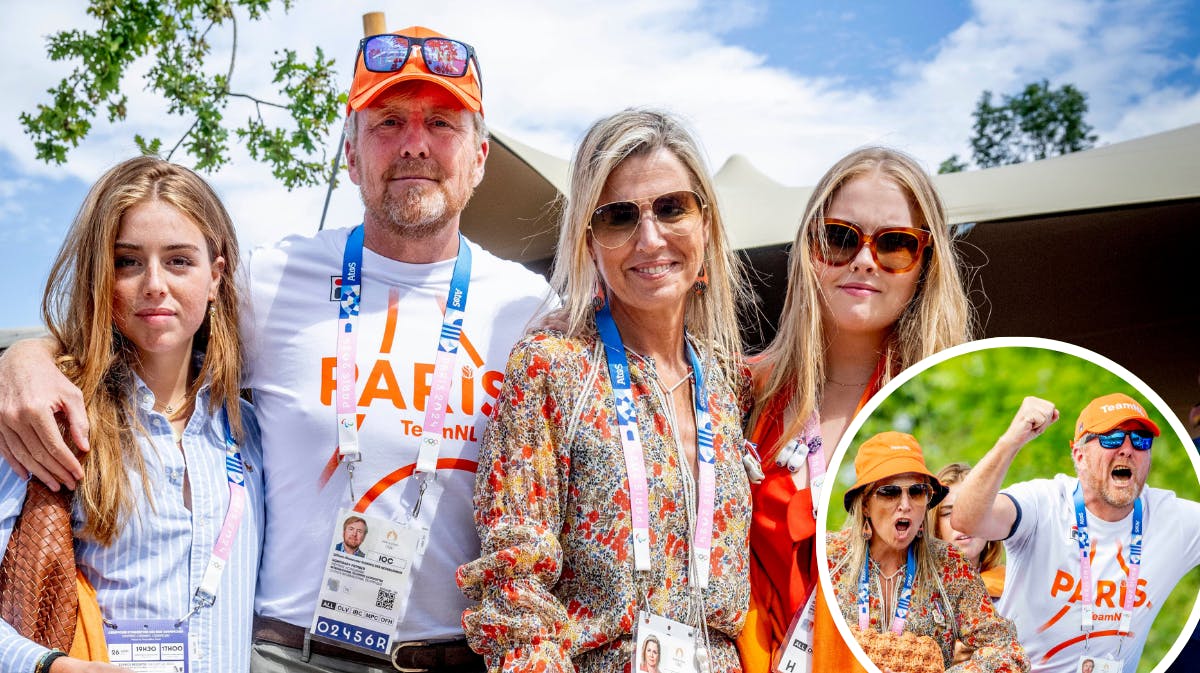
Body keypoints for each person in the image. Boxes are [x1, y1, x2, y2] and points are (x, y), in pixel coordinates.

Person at [0, 26, 552, 673]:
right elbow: (146, 321)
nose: (414, 143)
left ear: (480, 154)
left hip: (459, 656)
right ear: (350, 154)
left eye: (441, 122)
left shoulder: (529, 310)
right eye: (388, 121)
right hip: (292, 655)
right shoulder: (270, 281)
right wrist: (26, 361)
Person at [457, 109, 751, 672]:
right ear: (588, 241)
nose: (650, 237)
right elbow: (512, 588)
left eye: (672, 208)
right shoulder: (551, 369)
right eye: (618, 217)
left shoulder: (726, 381)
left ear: (706, 222)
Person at [0, 156, 264, 672]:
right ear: (101, 276)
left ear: (216, 275)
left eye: (179, 260)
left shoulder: (251, 430)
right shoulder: (48, 419)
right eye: (127, 261)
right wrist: (45, 665)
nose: (154, 284)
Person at [736, 147, 974, 672]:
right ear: (810, 248)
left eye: (894, 245)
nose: (864, 260)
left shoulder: (943, 400)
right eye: (841, 238)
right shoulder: (742, 393)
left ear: (925, 263)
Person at [952, 394, 1200, 673]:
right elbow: (966, 519)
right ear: (1079, 456)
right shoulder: (1044, 503)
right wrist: (1012, 439)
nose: (1128, 449)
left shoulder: (1171, 519)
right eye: (1112, 438)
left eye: (1141, 440)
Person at [828, 432, 1028, 673]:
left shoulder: (950, 565)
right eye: (889, 492)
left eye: (917, 491)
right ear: (865, 504)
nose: (905, 504)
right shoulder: (830, 557)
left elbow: (1007, 651)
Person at [931, 462, 1005, 600]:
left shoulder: (1013, 587)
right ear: (935, 524)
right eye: (948, 513)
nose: (963, 522)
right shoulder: (911, 586)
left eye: (972, 510)